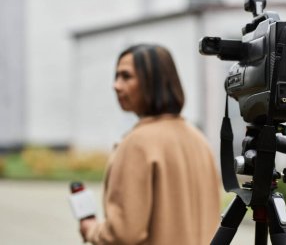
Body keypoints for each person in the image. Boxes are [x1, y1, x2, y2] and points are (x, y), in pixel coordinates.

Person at [79, 44, 221, 244]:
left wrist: (91, 229)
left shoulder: (137, 143)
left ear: (152, 82)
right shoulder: (199, 140)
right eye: (116, 76)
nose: (116, 85)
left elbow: (123, 232)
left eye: (126, 76)